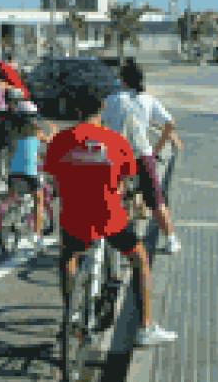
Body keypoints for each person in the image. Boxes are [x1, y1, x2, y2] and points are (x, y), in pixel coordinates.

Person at [43, 85, 177, 347]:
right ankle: (145, 327)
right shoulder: (115, 141)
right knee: (139, 258)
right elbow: (126, 180)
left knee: (68, 256)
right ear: (102, 108)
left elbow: (54, 179)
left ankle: (70, 313)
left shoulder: (60, 141)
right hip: (108, 218)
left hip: (73, 217)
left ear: (76, 110)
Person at [101, 60, 182, 254]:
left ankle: (110, 237)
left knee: (111, 195)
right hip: (142, 154)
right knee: (155, 200)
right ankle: (171, 239)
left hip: (117, 155)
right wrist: (157, 148)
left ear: (123, 80)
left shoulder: (112, 100)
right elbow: (170, 123)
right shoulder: (147, 99)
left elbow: (100, 123)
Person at [7, 100, 56, 253]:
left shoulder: (13, 132)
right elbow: (50, 141)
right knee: (38, 200)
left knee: (14, 195)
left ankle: (13, 215)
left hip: (13, 173)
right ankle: (37, 235)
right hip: (30, 173)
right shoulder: (36, 131)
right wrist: (53, 130)